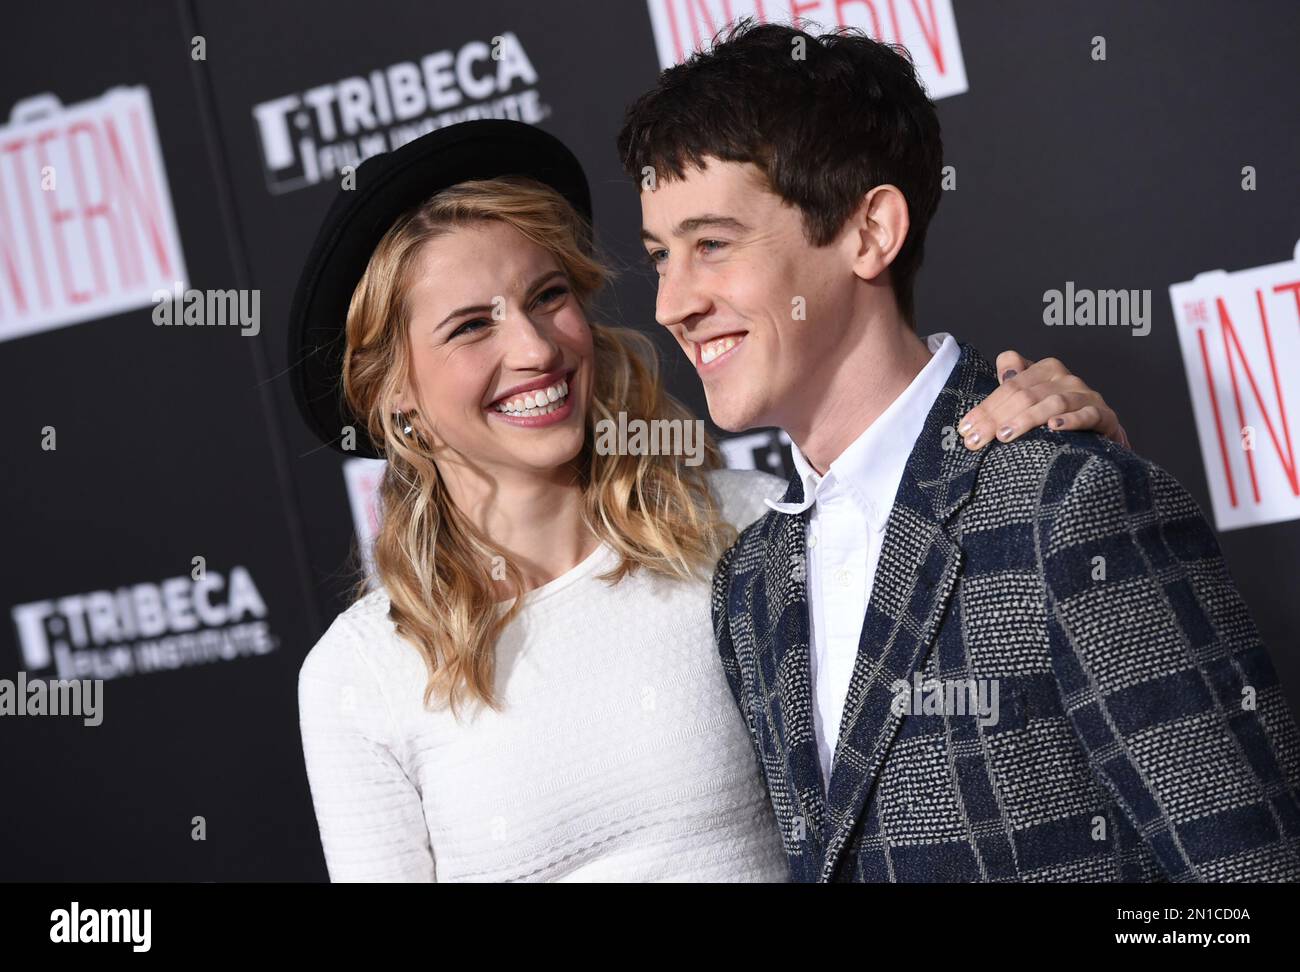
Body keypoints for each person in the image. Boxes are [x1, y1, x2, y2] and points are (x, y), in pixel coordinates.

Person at [289, 120, 1124, 882]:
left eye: (549, 296)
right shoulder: (356, 678)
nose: (535, 347)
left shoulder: (753, 531)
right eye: (471, 326)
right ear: (392, 391)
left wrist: (1054, 451)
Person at [618, 19, 1300, 882]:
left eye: (711, 244)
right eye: (659, 257)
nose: (673, 302)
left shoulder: (1066, 504)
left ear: (870, 232)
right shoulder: (751, 580)